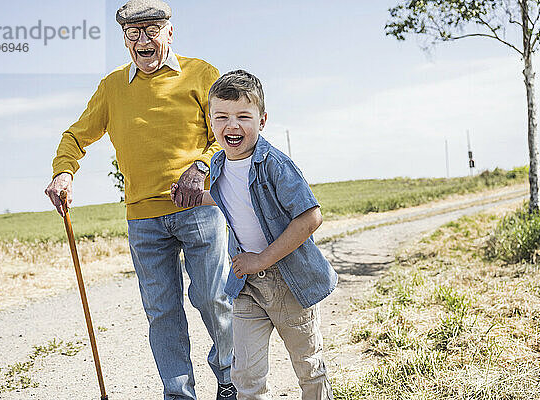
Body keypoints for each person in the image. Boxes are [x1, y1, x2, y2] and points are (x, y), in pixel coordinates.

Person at [44, 1, 236, 399]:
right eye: (134, 33)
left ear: (170, 31)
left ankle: (229, 382)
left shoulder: (202, 74)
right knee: (162, 312)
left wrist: (200, 166)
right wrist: (64, 171)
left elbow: (227, 135)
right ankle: (178, 393)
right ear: (124, 39)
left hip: (199, 209)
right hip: (143, 220)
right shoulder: (112, 87)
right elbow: (75, 136)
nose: (143, 40)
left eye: (152, 30)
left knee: (213, 299)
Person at [171, 70, 337, 400]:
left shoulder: (275, 164)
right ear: (211, 120)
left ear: (262, 120)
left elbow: (310, 217)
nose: (232, 126)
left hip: (288, 281)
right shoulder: (217, 164)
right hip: (246, 286)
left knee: (309, 368)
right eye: (221, 117)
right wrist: (192, 196)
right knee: (245, 374)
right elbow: (228, 196)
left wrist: (261, 258)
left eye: (243, 117)